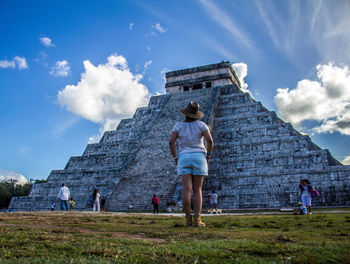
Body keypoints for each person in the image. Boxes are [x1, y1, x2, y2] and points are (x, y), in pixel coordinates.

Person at [169, 101, 214, 227]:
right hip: (199, 157)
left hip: (183, 157)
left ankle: (188, 219)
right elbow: (210, 141)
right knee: (197, 190)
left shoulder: (178, 126)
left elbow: (171, 142)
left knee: (186, 190)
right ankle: (198, 220)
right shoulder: (201, 125)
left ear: (186, 113)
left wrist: (175, 157)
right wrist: (208, 155)